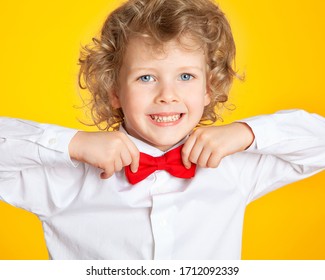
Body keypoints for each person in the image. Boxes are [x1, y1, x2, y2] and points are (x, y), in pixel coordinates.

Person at [0, 0, 324, 259]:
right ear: (115, 91)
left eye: (186, 76)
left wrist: (246, 133)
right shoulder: (66, 181)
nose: (167, 95)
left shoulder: (232, 169)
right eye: (146, 77)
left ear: (208, 88)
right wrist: (71, 144)